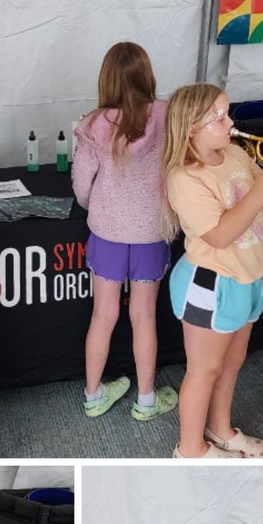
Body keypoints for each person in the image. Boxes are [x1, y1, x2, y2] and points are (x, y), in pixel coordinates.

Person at [163, 84, 263, 459]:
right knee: (204, 369)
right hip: (212, 280)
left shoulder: (235, 154)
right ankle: (190, 449)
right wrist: (262, 189)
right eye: (218, 118)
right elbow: (220, 235)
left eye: (227, 113)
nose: (230, 123)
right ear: (190, 128)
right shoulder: (185, 177)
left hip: (251, 275)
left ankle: (220, 429)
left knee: (233, 361)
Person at [72, 42, 176, 422]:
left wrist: (97, 206)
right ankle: (146, 400)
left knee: (103, 314)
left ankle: (93, 395)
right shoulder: (168, 115)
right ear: (146, 75)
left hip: (108, 232)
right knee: (144, 315)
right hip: (152, 232)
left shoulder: (91, 125)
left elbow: (82, 187)